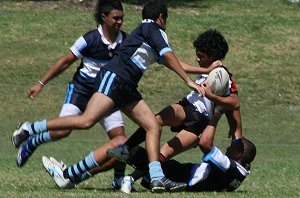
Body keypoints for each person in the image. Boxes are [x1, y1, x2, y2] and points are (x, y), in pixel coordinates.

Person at [12, 0, 203, 193]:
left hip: (126, 85)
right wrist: (189, 81)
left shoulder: (147, 34)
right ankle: (30, 128)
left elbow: (174, 62)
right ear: (161, 17)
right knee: (87, 121)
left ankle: (156, 178)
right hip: (115, 78)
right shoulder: (153, 28)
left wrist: (206, 69)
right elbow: (169, 54)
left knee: (152, 125)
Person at [11, 0, 128, 189]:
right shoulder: (89, 39)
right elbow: (65, 61)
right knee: (62, 131)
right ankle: (33, 141)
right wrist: (40, 83)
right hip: (81, 90)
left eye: (122, 18)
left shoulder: (125, 41)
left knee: (121, 142)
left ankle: (118, 180)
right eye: (116, 18)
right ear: (104, 17)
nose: (119, 22)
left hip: (106, 95)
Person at [124, 113, 256, 192]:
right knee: (149, 158)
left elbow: (205, 143)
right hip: (180, 174)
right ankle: (129, 178)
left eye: (231, 148)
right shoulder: (240, 173)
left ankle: (122, 178)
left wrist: (216, 115)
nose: (227, 148)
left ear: (238, 153)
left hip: (177, 176)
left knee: (129, 149)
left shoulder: (228, 166)